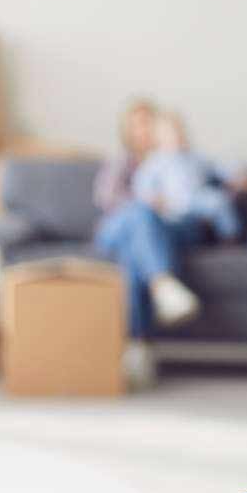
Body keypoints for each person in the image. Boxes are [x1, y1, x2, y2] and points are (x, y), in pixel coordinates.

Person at [92, 100, 210, 388]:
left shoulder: (181, 160)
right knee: (139, 215)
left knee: (133, 255)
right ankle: (163, 284)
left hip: (161, 231)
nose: (145, 129)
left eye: (149, 122)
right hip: (119, 227)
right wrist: (146, 204)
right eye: (138, 123)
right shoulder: (120, 163)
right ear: (127, 131)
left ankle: (138, 345)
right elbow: (106, 200)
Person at [132, 111, 242, 241]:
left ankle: (230, 236)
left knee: (219, 201)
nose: (176, 136)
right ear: (158, 138)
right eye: (170, 133)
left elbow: (218, 167)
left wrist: (235, 175)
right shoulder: (156, 161)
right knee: (167, 218)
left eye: (179, 131)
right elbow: (142, 185)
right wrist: (152, 198)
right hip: (173, 204)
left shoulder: (195, 156)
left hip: (197, 198)